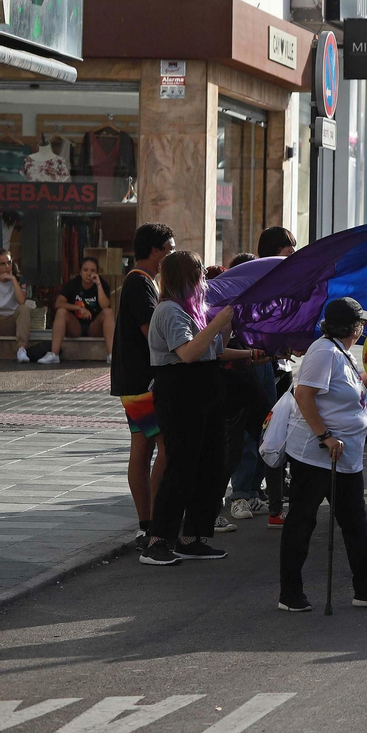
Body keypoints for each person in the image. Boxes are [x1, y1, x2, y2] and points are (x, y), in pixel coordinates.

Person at [139, 252, 259, 566]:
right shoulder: (168, 311)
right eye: (197, 275)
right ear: (184, 278)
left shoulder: (189, 311)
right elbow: (189, 352)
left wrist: (244, 349)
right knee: (181, 468)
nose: (202, 282)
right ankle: (157, 541)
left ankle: (192, 537)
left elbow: (213, 350)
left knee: (208, 466)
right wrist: (218, 323)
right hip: (180, 393)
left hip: (203, 391)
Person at [278, 297, 367, 612]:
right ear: (352, 327)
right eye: (362, 323)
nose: (365, 327)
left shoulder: (341, 352)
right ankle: (290, 593)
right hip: (317, 456)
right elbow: (304, 394)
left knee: (356, 522)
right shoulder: (324, 351)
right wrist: (324, 435)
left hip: (346, 458)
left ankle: (366, 589)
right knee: (302, 521)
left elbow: (353, 393)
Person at [110, 224, 173, 552]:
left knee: (144, 446)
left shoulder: (142, 282)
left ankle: (148, 523)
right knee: (163, 446)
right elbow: (153, 333)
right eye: (169, 249)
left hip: (133, 382)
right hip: (141, 384)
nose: (171, 255)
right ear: (155, 250)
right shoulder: (139, 283)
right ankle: (154, 522)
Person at [45, 257, 114, 363]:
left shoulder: (102, 284)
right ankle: (54, 354)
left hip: (94, 326)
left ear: (97, 272)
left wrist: (98, 284)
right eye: (85, 270)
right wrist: (78, 308)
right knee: (61, 312)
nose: (89, 274)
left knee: (108, 312)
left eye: (92, 271)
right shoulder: (73, 284)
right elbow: (58, 303)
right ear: (80, 272)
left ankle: (112, 355)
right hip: (75, 326)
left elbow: (105, 306)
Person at [0, 249, 25, 349]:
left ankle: (21, 349)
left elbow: (21, 301)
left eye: (9, 263)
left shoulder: (20, 279)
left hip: (12, 320)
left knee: (24, 309)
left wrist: (13, 279)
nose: (7, 267)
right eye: (2, 264)